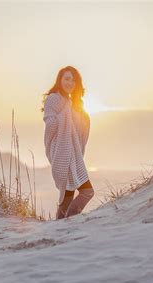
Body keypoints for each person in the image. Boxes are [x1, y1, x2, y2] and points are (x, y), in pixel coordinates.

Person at [41, 66, 95, 219]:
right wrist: (66, 112)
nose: (70, 82)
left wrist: (82, 115)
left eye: (73, 80)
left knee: (68, 196)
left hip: (73, 155)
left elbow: (79, 130)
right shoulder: (54, 99)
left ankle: (58, 227)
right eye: (67, 79)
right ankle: (68, 223)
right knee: (87, 191)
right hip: (61, 154)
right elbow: (50, 125)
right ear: (60, 80)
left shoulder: (73, 103)